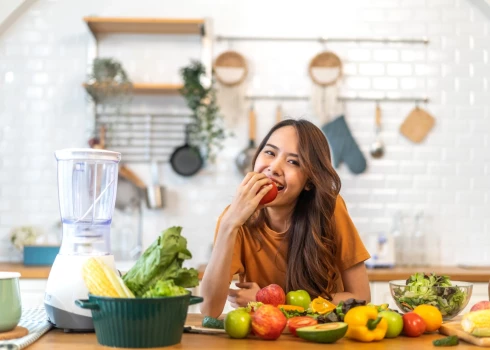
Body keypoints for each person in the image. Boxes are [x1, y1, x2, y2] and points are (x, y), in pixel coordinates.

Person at [200, 119, 371, 318]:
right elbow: (209, 310)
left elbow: (361, 298)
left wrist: (269, 301)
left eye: (293, 162)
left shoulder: (329, 209)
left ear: (309, 181)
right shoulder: (234, 220)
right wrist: (229, 224)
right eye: (270, 152)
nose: (274, 168)